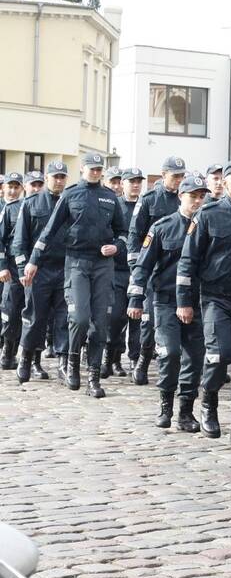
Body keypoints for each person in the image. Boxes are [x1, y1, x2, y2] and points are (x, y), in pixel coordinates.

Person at [24, 153, 127, 398]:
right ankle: (72, 363)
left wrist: (117, 246)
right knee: (80, 318)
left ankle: (93, 376)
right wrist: (33, 261)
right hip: (77, 262)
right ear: (82, 169)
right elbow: (49, 231)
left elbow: (123, 233)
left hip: (103, 265)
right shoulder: (71, 195)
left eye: (99, 169)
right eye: (91, 169)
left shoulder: (111, 198)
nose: (95, 173)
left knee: (100, 324)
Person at [177, 159, 231, 446]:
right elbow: (188, 261)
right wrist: (184, 301)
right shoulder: (208, 215)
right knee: (220, 355)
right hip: (215, 298)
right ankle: (209, 405)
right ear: (224, 183)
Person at [129, 174, 210, 431]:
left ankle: (186, 411)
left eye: (201, 196)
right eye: (192, 196)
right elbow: (143, 267)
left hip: (198, 303)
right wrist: (135, 298)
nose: (197, 201)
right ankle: (166, 405)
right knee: (170, 353)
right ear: (180, 196)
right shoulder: (162, 227)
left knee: (195, 358)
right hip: (165, 301)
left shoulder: (208, 226)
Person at [128, 157, 187, 385]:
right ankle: (143, 356)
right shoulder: (150, 199)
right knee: (149, 319)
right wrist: (137, 267)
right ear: (164, 176)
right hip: (153, 267)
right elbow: (135, 235)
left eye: (182, 176)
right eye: (175, 176)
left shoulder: (189, 199)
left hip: (179, 269)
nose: (179, 180)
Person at [12, 162, 70, 383]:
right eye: (55, 177)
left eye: (62, 177)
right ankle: (27, 358)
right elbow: (19, 242)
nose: (59, 181)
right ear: (48, 178)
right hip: (38, 270)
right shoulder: (31, 203)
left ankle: (64, 363)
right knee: (35, 318)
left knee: (65, 319)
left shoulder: (72, 203)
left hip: (65, 269)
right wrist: (21, 269)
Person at [102, 168, 145, 380]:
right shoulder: (114, 205)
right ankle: (112, 357)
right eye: (131, 181)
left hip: (139, 270)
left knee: (138, 319)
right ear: (123, 184)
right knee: (117, 316)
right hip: (117, 270)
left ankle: (136, 360)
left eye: (139, 181)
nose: (135, 185)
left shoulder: (145, 205)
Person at [0, 172, 26, 370]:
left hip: (20, 267)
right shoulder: (6, 209)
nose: (12, 190)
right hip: (7, 265)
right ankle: (6, 352)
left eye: (16, 187)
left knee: (17, 310)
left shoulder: (23, 207)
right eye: (10, 186)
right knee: (8, 311)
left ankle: (13, 352)